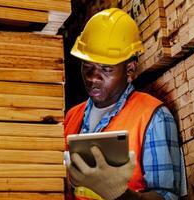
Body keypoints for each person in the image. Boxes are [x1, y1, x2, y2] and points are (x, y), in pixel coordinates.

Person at [64, 8, 184, 200]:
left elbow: (167, 197)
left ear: (130, 70)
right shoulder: (71, 118)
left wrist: (120, 195)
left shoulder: (153, 117)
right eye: (87, 66)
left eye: (106, 69)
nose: (93, 77)